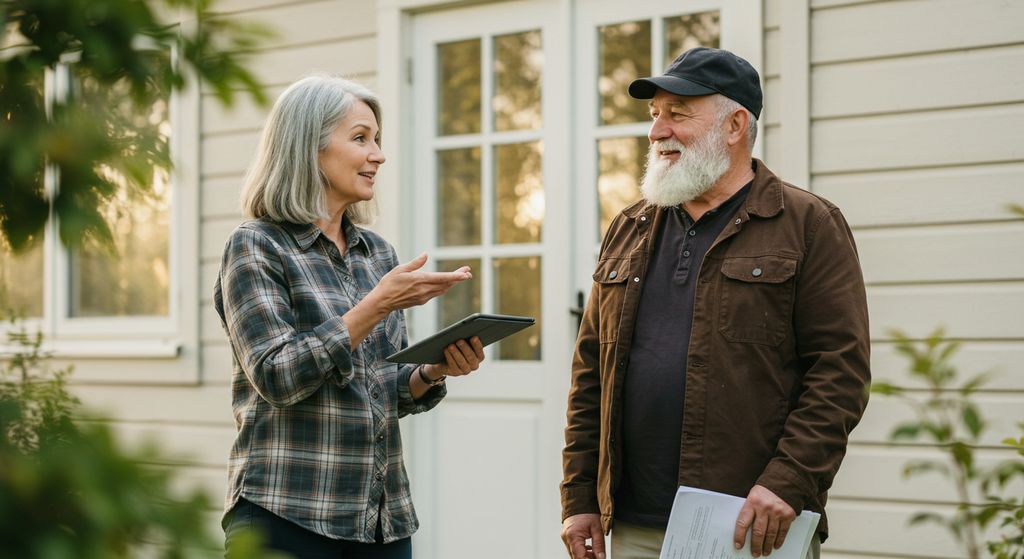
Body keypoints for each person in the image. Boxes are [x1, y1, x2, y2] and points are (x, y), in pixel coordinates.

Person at [560, 47, 870, 559]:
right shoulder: (628, 227)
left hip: (749, 523)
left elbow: (840, 372)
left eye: (678, 115)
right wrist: (579, 496)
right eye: (655, 115)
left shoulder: (809, 225)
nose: (658, 132)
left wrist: (788, 481)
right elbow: (591, 372)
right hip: (633, 523)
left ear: (735, 126)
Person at [215, 75, 485, 558]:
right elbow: (277, 377)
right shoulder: (256, 245)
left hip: (381, 523)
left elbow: (386, 389)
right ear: (308, 149)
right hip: (287, 515)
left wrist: (432, 371)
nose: (378, 154)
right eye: (360, 138)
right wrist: (374, 306)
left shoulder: (376, 254)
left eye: (377, 139)